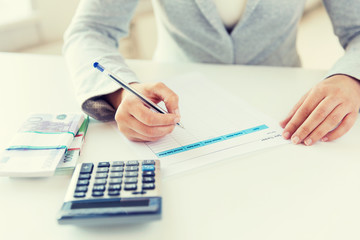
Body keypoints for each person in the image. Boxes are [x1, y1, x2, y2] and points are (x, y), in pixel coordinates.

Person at [64, 0, 360, 145]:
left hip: (284, 110)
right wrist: (120, 91)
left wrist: (350, 77)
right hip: (173, 111)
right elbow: (90, 30)